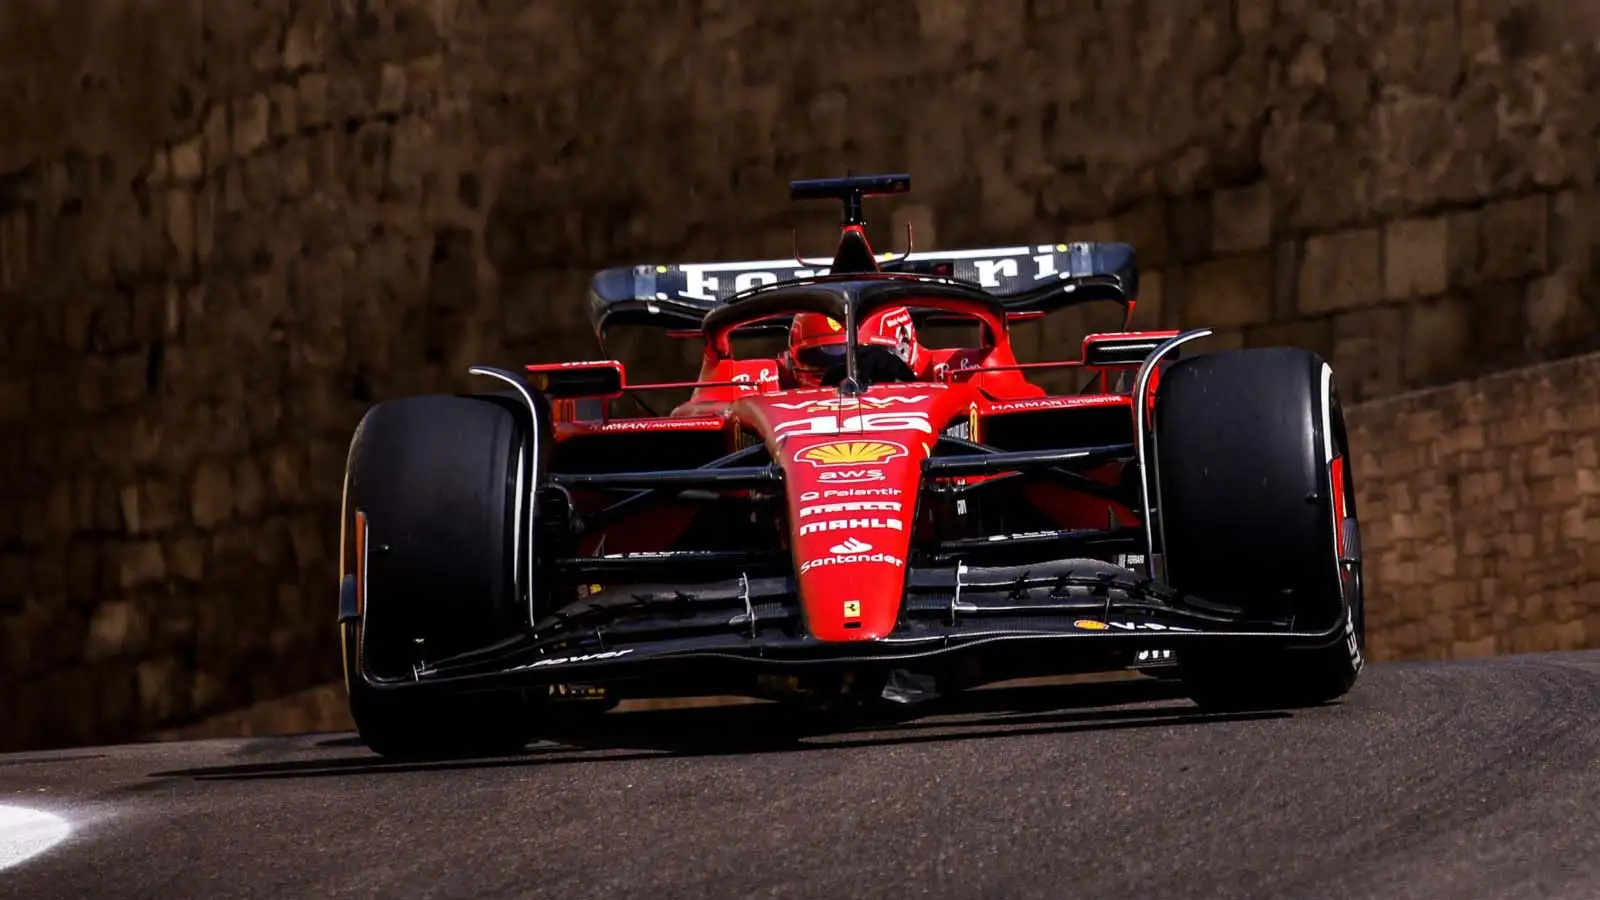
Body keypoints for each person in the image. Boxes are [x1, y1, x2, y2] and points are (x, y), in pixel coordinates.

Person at [783, 307, 923, 387]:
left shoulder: (937, 370)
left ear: (903, 349)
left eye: (865, 355)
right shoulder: (774, 376)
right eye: (832, 353)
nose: (848, 376)